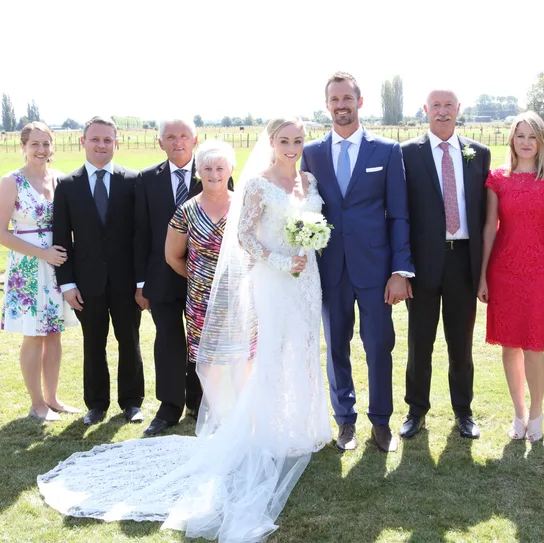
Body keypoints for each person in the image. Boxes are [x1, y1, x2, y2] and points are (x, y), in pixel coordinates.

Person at [38, 117, 331, 543]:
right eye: (284, 140)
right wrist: (200, 275)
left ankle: (290, 424)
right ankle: (206, 417)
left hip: (290, 283)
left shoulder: (297, 182)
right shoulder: (195, 198)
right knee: (217, 357)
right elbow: (171, 246)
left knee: (288, 352)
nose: (292, 146)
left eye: (298, 140)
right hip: (232, 285)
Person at [301, 72, 414, 453]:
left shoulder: (386, 151)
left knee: (379, 344)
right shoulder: (312, 153)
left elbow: (399, 214)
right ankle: (345, 421)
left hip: (375, 268)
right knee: (336, 346)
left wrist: (400, 270)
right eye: (334, 99)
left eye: (347, 98)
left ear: (359, 102)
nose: (341, 105)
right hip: (329, 268)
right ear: (327, 105)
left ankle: (381, 422)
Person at [400, 88, 490, 440]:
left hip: (463, 261)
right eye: (435, 105)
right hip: (422, 264)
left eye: (448, 105)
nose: (442, 111)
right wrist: (402, 266)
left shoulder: (478, 153)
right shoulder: (407, 153)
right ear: (425, 110)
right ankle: (416, 411)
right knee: (419, 343)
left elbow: (484, 212)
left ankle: (463, 412)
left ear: (458, 109)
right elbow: (400, 213)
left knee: (461, 344)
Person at [477, 111, 544, 442]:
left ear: (541, 141)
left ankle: (537, 413)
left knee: (533, 345)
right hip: (503, 271)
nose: (526, 142)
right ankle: (519, 413)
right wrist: (483, 275)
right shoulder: (497, 179)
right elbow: (490, 227)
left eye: (532, 136)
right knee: (509, 345)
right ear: (511, 140)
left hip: (540, 271)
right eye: (520, 136)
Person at [53, 116, 144, 426]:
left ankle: (131, 402)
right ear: (83, 141)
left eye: (107, 140)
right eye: (95, 139)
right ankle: (96, 404)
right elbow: (61, 238)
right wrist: (67, 284)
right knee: (93, 344)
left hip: (126, 281)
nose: (101, 145)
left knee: (129, 340)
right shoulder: (67, 185)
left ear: (116, 143)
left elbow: (140, 235)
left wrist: (141, 281)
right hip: (86, 282)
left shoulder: (132, 181)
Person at [0, 122, 78, 422]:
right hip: (28, 267)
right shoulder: (12, 182)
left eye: (46, 144)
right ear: (23, 146)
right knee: (34, 334)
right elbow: (2, 233)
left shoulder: (60, 179)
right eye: (34, 144)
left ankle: (52, 398)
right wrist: (43, 254)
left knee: (54, 333)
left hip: (57, 265)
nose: (41, 150)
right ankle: (37, 404)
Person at [134, 118, 204, 436]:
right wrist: (140, 283)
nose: (178, 142)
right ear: (160, 142)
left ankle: (199, 401)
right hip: (161, 277)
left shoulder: (213, 172)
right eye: (170, 137)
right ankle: (169, 407)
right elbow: (140, 233)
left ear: (195, 140)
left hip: (202, 277)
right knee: (168, 341)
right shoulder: (147, 179)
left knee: (201, 340)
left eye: (184, 136)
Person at [165, 140, 234, 366]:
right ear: (198, 172)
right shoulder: (186, 211)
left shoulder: (244, 208)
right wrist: (200, 279)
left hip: (238, 300)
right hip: (201, 302)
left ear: (231, 169)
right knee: (207, 366)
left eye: (220, 168)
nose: (214, 174)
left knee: (240, 364)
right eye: (207, 168)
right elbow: (172, 256)